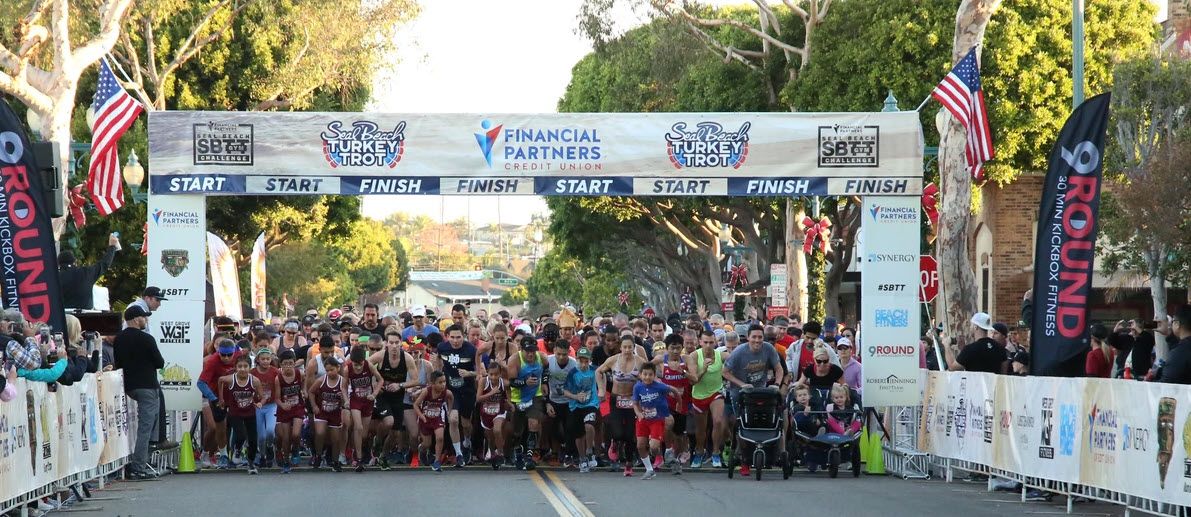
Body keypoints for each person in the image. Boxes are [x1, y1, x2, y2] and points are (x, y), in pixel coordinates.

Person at [722, 324, 784, 477]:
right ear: (748, 337)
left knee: (764, 423)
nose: (757, 340)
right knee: (743, 425)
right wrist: (743, 385)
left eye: (760, 337)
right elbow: (725, 372)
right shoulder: (739, 352)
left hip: (761, 391)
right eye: (754, 337)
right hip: (740, 392)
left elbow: (779, 368)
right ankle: (744, 460)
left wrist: (776, 384)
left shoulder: (768, 349)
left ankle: (770, 454)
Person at [112, 305, 164, 480]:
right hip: (147, 386)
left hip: (129, 385)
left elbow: (118, 363)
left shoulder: (118, 339)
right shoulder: (146, 339)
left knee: (142, 426)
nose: (146, 320)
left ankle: (140, 462)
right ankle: (139, 466)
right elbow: (159, 362)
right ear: (136, 319)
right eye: (144, 317)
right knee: (145, 427)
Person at [596, 334, 647, 476]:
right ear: (620, 347)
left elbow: (650, 375)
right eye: (624, 347)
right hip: (616, 398)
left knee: (630, 434)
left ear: (634, 347)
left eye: (630, 347)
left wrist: (644, 386)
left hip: (633, 400)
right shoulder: (613, 360)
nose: (627, 350)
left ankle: (628, 464)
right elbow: (598, 371)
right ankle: (614, 442)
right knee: (617, 431)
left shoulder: (640, 361)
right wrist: (601, 389)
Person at [369, 330, 418, 470]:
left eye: (397, 343)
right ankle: (377, 441)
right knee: (388, 421)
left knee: (396, 433)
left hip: (398, 396)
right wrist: (375, 382)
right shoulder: (380, 356)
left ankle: (383, 456)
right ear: (386, 344)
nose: (394, 346)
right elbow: (365, 366)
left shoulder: (407, 358)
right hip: (383, 396)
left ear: (401, 344)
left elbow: (415, 380)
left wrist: (400, 385)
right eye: (391, 343)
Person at [435, 324, 480, 467]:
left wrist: (469, 373)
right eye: (452, 337)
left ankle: (467, 442)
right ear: (447, 337)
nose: (455, 341)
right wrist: (438, 374)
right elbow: (437, 359)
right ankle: (459, 453)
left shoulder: (471, 350)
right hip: (450, 391)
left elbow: (481, 372)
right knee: (453, 420)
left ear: (464, 336)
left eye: (458, 337)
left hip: (467, 390)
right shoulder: (442, 347)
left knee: (466, 423)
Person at [687, 329, 728, 469]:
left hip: (716, 393)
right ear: (700, 342)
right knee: (701, 429)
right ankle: (699, 452)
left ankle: (716, 452)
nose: (708, 345)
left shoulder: (721, 355)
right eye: (705, 342)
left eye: (711, 342)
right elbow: (693, 380)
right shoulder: (693, 356)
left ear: (716, 342)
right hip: (699, 395)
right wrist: (703, 368)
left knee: (718, 421)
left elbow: (738, 358)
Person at [632, 362, 680, 480]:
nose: (647, 377)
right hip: (643, 419)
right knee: (640, 445)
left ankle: (666, 456)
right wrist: (638, 413)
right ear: (640, 375)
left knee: (653, 447)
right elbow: (635, 403)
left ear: (654, 376)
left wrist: (679, 403)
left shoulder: (660, 386)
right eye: (645, 374)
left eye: (650, 375)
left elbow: (674, 390)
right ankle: (649, 470)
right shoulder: (637, 387)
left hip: (657, 419)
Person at [218, 355, 265, 474]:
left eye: (245, 366)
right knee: (241, 435)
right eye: (240, 366)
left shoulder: (254, 381)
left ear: (250, 367)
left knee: (253, 441)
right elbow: (220, 380)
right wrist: (221, 398)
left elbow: (263, 396)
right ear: (235, 368)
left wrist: (260, 403)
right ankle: (237, 450)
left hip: (250, 413)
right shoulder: (230, 379)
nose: (242, 369)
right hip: (235, 413)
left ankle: (250, 462)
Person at [507, 335, 547, 470]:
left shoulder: (541, 357)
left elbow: (546, 368)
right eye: (527, 351)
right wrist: (524, 382)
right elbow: (511, 381)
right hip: (518, 397)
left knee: (533, 422)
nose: (531, 354)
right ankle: (518, 452)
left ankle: (530, 456)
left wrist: (545, 383)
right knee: (516, 431)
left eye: (533, 350)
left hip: (535, 395)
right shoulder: (514, 360)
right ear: (521, 349)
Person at [344, 345, 381, 472]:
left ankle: (358, 451)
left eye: (360, 364)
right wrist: (346, 400)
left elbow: (380, 380)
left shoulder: (368, 365)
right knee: (358, 427)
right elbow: (343, 387)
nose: (358, 367)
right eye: (356, 365)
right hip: (355, 401)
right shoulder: (347, 369)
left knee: (363, 434)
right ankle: (359, 459)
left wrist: (374, 394)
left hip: (368, 401)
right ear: (351, 362)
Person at [58, 234, 120, 309]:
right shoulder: (86, 273)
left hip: (63, 318)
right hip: (85, 317)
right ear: (75, 262)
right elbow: (104, 263)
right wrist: (112, 247)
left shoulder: (54, 278)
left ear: (59, 264)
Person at [309, 356, 348, 472]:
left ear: (338, 367)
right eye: (327, 370)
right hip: (322, 411)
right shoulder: (321, 380)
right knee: (320, 433)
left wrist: (343, 400)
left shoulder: (343, 382)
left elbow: (346, 400)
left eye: (332, 370)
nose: (329, 372)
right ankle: (318, 456)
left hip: (335, 412)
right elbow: (311, 392)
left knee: (336, 439)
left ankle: (335, 461)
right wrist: (314, 406)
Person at [564, 346, 600, 473]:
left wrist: (601, 389)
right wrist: (575, 396)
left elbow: (603, 375)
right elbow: (565, 391)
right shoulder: (573, 373)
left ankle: (590, 450)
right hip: (576, 405)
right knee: (578, 434)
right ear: (577, 360)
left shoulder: (594, 370)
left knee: (589, 426)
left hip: (591, 404)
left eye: (586, 361)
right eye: (581, 361)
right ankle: (582, 458)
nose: (584, 364)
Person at [660, 337, 692, 475]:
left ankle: (676, 460)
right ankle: (667, 451)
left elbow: (695, 379)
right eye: (672, 348)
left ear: (682, 347)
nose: (675, 351)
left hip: (682, 403)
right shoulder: (661, 360)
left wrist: (683, 372)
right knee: (668, 424)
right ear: (667, 348)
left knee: (679, 435)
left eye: (678, 348)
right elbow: (646, 369)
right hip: (666, 402)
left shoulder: (686, 360)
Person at [545, 339, 578, 466]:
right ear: (554, 351)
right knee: (553, 428)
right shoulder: (548, 361)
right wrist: (547, 403)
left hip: (569, 401)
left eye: (564, 354)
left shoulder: (574, 364)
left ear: (569, 352)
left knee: (570, 427)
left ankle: (570, 454)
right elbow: (544, 384)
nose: (561, 357)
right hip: (553, 400)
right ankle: (557, 450)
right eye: (558, 354)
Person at [273, 350, 304, 474]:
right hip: (284, 409)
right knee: (285, 437)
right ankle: (286, 461)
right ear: (280, 365)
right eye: (285, 364)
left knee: (296, 434)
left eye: (290, 363)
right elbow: (276, 398)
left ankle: (295, 450)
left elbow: (304, 386)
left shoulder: (299, 374)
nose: (288, 367)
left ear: (294, 363)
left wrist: (304, 391)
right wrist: (282, 405)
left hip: (297, 407)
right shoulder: (278, 378)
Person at [415, 371, 453, 472]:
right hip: (426, 418)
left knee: (440, 438)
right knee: (427, 443)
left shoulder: (446, 392)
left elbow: (451, 398)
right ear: (432, 383)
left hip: (438, 417)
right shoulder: (426, 392)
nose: (443, 384)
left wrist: (449, 411)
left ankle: (437, 461)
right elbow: (415, 405)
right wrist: (421, 416)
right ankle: (422, 450)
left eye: (444, 382)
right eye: (440, 382)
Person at [477, 361, 510, 468]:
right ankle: (492, 454)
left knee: (497, 430)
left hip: (498, 412)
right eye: (491, 374)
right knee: (490, 438)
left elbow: (506, 396)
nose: (494, 377)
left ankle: (500, 453)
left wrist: (509, 404)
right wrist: (491, 393)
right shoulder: (483, 381)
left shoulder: (503, 383)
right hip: (486, 413)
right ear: (487, 373)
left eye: (496, 374)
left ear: (500, 374)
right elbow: (478, 399)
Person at [250, 348, 278, 468]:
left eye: (268, 359)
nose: (265, 361)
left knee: (270, 431)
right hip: (257, 407)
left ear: (271, 359)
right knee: (261, 436)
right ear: (258, 360)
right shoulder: (252, 373)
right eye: (263, 359)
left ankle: (270, 447)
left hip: (271, 405)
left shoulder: (275, 372)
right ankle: (262, 456)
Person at [1157, 305, 1191, 384]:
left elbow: (1166, 384)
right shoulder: (1182, 350)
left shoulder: (1180, 353)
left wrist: (1151, 379)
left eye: (1172, 321)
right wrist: (1169, 334)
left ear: (1177, 324)